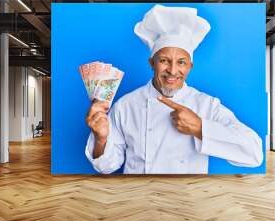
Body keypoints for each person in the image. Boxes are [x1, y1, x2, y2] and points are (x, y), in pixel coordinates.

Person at [85, 4, 263, 174]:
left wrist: (201, 128)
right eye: (164, 61)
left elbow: (254, 154)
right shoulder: (125, 105)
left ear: (190, 67)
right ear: (151, 63)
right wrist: (100, 138)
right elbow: (106, 167)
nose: (172, 70)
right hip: (139, 197)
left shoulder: (207, 105)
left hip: (187, 198)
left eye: (181, 62)